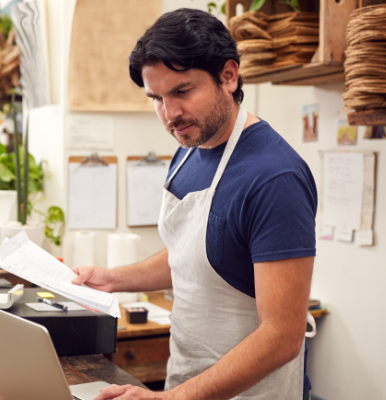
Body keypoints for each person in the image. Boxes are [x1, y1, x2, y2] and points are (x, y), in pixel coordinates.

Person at [71, 8, 317, 400]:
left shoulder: (274, 178)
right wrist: (114, 279)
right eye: (157, 98)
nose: (170, 115)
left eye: (182, 92)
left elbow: (282, 337)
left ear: (229, 75)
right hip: (187, 382)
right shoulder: (189, 150)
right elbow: (193, 254)